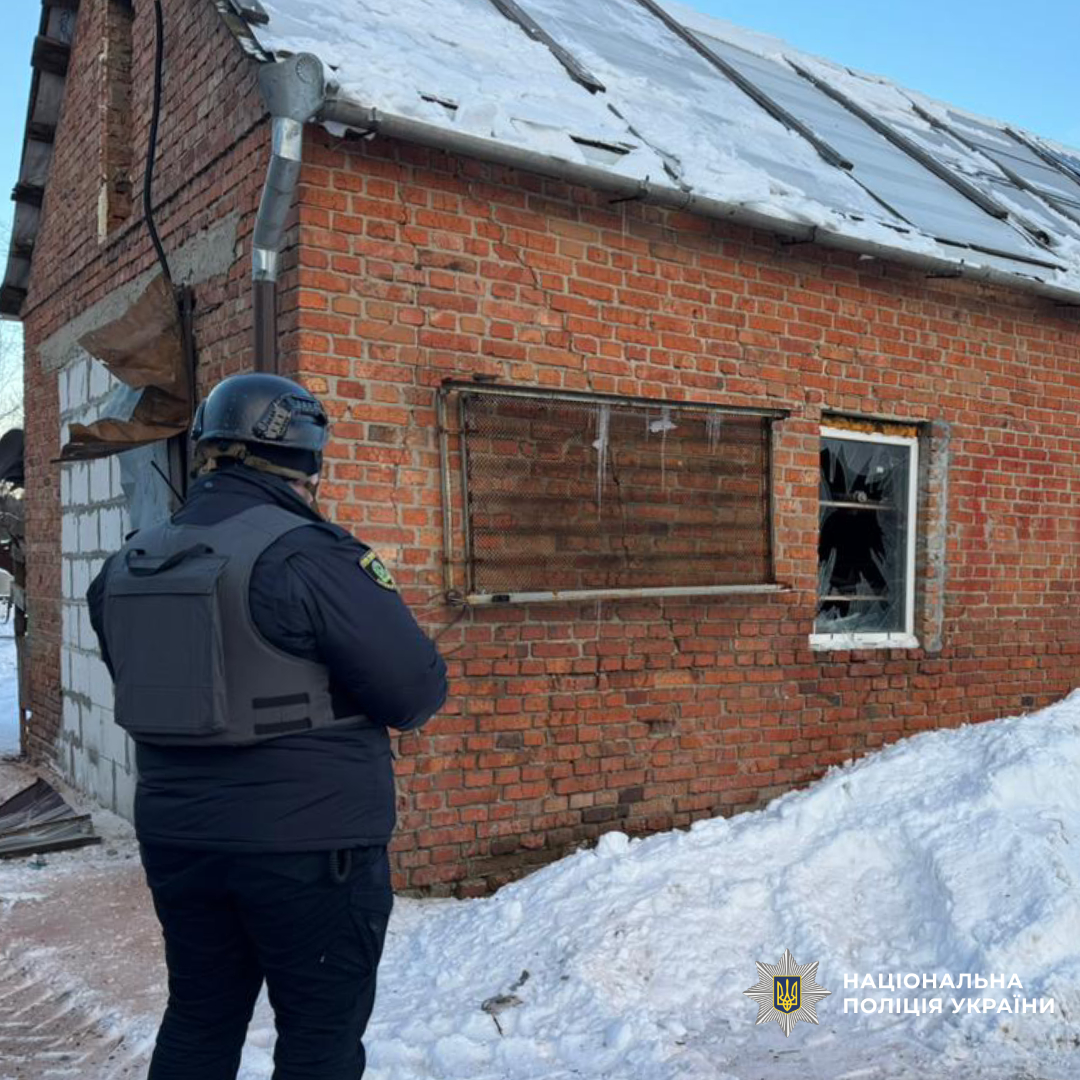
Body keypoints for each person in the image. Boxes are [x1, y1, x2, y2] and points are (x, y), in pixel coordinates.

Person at [87, 372, 447, 1080]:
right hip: (309, 849)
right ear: (308, 457)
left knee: (198, 1016)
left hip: (179, 840)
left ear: (206, 451)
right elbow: (412, 693)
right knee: (319, 1039)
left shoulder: (127, 563)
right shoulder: (310, 555)